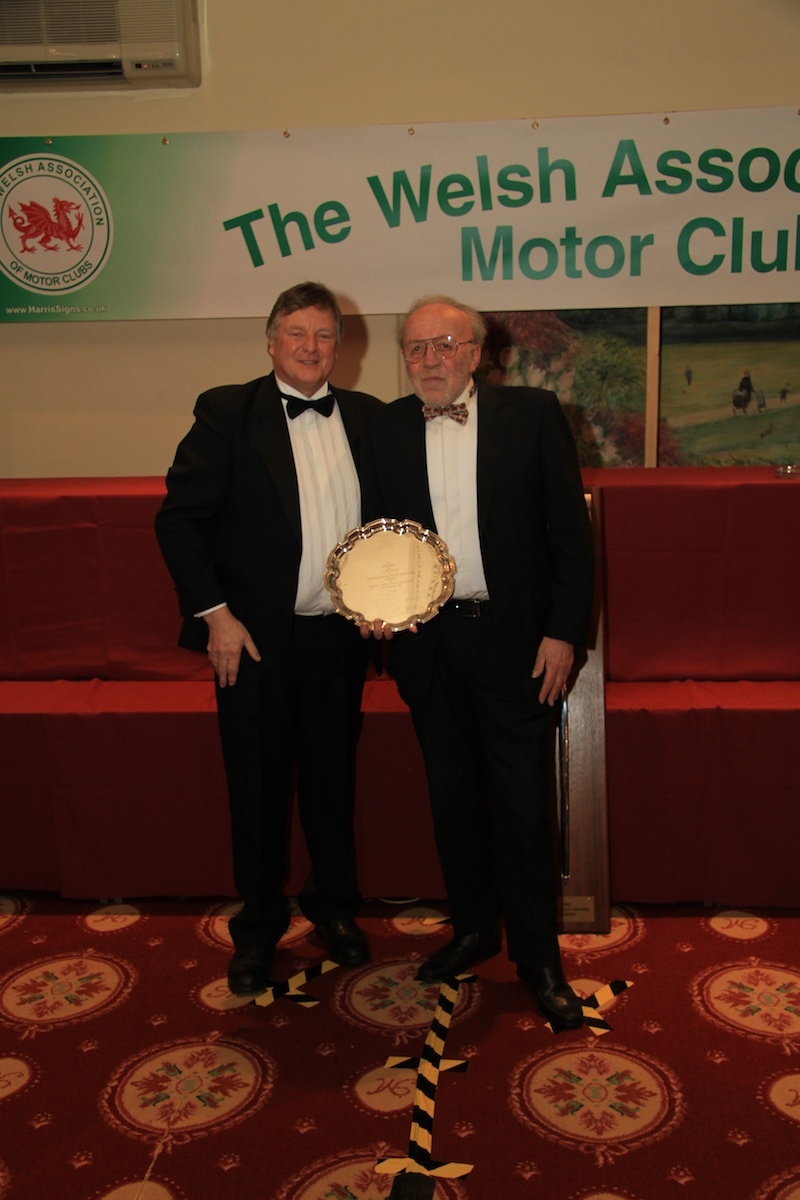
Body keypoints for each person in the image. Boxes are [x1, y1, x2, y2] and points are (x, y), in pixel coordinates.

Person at [359, 295, 594, 1029]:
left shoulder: (532, 415)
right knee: (453, 800)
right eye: (416, 348)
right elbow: (376, 536)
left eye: (443, 345)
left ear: (474, 353)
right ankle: (472, 930)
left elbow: (570, 536)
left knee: (523, 809)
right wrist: (373, 603)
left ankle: (539, 959)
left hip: (516, 645)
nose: (429, 360)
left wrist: (563, 633)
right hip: (429, 646)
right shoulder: (387, 428)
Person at [155, 281, 382, 996]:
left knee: (332, 785)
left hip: (339, 640)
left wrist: (389, 601)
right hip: (250, 642)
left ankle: (333, 910)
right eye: (296, 333)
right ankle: (257, 929)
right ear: (271, 340)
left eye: (324, 335)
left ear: (340, 347)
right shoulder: (227, 411)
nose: (311, 347)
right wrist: (215, 616)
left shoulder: (370, 418)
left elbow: (394, 526)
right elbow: (178, 521)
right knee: (256, 792)